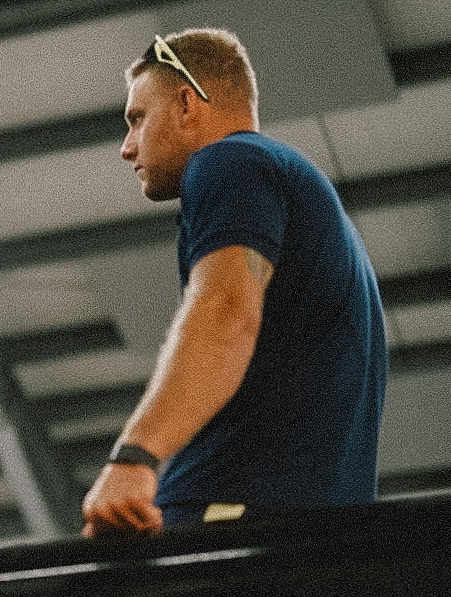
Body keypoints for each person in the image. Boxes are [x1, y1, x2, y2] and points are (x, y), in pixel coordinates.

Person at [81, 28, 387, 537]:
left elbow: (225, 312)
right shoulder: (306, 197)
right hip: (319, 530)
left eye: (137, 119)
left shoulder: (230, 160)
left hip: (230, 510)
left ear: (185, 102)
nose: (126, 147)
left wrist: (134, 458)